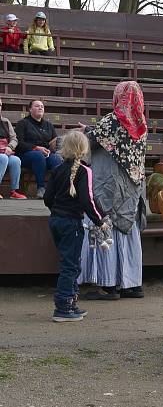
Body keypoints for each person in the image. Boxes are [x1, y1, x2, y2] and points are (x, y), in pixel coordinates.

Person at [78, 81, 148, 300]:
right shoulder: (140, 123)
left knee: (107, 225)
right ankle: (131, 284)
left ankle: (108, 285)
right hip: (132, 186)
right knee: (127, 229)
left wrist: (84, 132)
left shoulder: (113, 120)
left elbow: (91, 142)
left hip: (110, 184)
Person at [43, 131, 107, 322]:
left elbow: (47, 198)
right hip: (72, 223)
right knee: (70, 266)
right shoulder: (84, 171)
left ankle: (70, 302)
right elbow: (88, 200)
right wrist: (100, 221)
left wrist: (57, 210)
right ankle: (63, 306)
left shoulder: (57, 169)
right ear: (84, 149)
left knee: (68, 263)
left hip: (56, 220)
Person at [15, 100, 63, 198]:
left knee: (56, 159)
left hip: (45, 154)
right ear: (30, 109)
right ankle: (41, 188)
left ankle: (57, 190)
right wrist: (36, 148)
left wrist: (51, 148)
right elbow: (19, 143)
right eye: (37, 106)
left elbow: (53, 142)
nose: (40, 108)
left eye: (42, 106)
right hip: (25, 155)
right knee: (38, 156)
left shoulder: (48, 125)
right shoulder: (23, 123)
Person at [0, 97, 26, 199]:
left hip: (5, 150)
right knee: (3, 158)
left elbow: (14, 138)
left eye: (0, 105)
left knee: (15, 160)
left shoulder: (5, 121)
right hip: (2, 155)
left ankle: (14, 191)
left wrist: (10, 147)